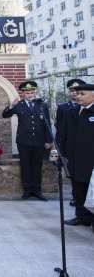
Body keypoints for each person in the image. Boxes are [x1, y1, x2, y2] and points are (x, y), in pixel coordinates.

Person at [2, 81, 52, 201]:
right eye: (28, 93)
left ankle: (37, 191)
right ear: (23, 93)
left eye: (32, 92)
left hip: (39, 141)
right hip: (24, 141)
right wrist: (12, 105)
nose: (30, 95)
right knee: (25, 166)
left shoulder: (42, 105)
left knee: (37, 166)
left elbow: (47, 123)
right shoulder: (19, 105)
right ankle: (27, 190)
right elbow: (5, 115)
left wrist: (48, 140)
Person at [60, 83, 94, 233]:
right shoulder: (71, 112)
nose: (78, 96)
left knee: (91, 190)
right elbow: (63, 135)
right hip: (75, 159)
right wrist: (61, 154)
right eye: (77, 93)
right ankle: (82, 216)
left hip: (91, 160)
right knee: (78, 190)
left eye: (82, 94)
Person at [55, 78, 86, 207]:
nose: (75, 94)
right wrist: (59, 147)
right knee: (74, 175)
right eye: (72, 91)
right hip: (70, 146)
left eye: (78, 91)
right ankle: (76, 198)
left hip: (86, 147)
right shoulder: (64, 108)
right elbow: (60, 128)